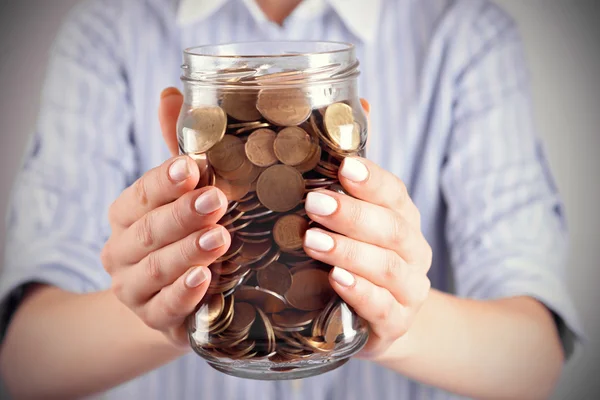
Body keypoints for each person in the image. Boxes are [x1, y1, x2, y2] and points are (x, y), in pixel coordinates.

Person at [0, 0, 584, 398]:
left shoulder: (465, 31)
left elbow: (531, 358)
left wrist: (398, 316)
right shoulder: (109, 28)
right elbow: (25, 362)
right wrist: (156, 305)